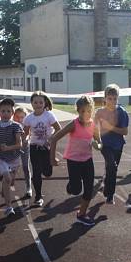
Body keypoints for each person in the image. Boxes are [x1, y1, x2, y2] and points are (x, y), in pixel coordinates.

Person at [49, 95, 102, 227]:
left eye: (89, 111)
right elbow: (55, 138)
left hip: (87, 161)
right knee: (76, 190)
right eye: (83, 111)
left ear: (92, 111)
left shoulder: (94, 126)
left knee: (89, 189)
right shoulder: (74, 124)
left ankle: (81, 214)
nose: (86, 114)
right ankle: (71, 186)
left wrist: (98, 145)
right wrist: (52, 158)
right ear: (78, 111)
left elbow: (100, 142)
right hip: (73, 161)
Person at [22, 91, 60, 207]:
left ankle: (47, 167)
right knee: (36, 173)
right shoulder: (29, 118)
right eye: (35, 102)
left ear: (44, 103)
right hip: (34, 147)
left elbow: (59, 129)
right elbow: (26, 133)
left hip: (47, 147)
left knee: (47, 173)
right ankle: (38, 196)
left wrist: (50, 139)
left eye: (40, 102)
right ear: (31, 104)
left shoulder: (49, 115)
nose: (38, 104)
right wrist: (25, 139)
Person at [0, 98, 25, 216]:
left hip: (14, 157)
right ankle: (9, 207)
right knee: (8, 178)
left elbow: (19, 144)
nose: (6, 114)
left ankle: (5, 186)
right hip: (0, 157)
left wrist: (8, 148)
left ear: (12, 113)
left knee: (10, 181)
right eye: (3, 111)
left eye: (8, 111)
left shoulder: (16, 126)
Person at [96, 84, 129, 204]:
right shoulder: (100, 112)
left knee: (112, 169)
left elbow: (125, 131)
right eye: (109, 98)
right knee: (112, 165)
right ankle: (110, 194)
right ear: (104, 99)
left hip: (118, 144)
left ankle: (106, 184)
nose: (112, 101)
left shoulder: (122, 113)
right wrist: (94, 138)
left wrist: (110, 127)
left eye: (115, 99)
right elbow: (93, 128)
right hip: (105, 144)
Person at [12, 106, 32, 200]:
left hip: (25, 147)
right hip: (14, 148)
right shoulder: (12, 125)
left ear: (25, 117)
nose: (20, 119)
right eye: (17, 117)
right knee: (13, 167)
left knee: (25, 166)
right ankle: (10, 182)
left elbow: (28, 134)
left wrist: (25, 140)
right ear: (13, 116)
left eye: (22, 117)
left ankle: (29, 188)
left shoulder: (26, 124)